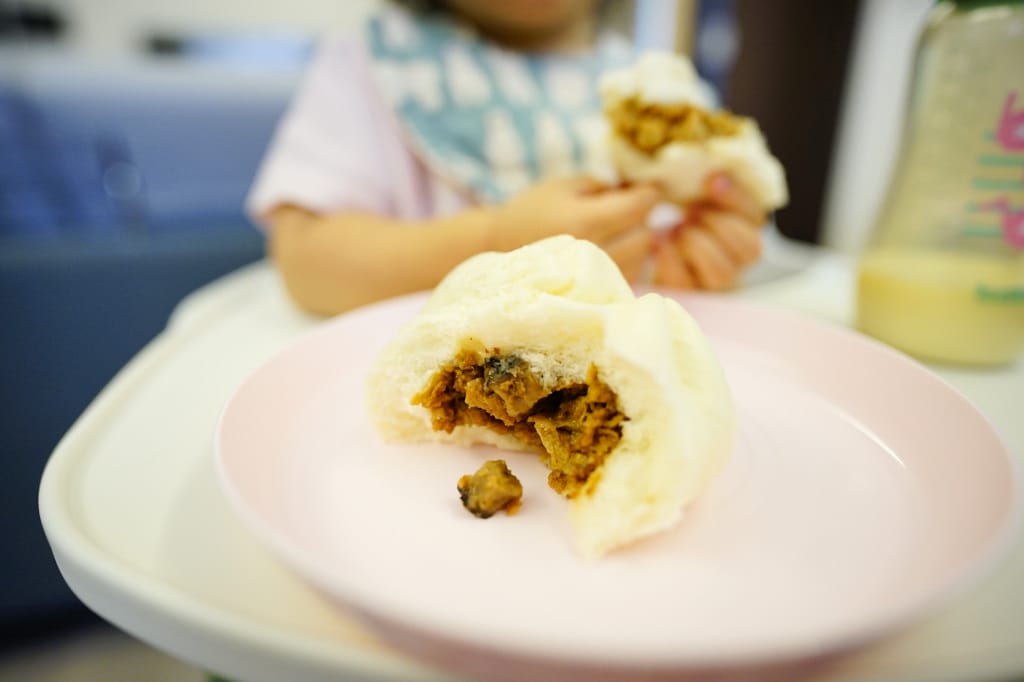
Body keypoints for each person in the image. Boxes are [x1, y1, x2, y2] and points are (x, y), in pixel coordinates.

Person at [247, 0, 766, 316]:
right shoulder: (370, 66)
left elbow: (689, 264)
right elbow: (305, 260)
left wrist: (705, 262)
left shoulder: (663, 94)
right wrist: (495, 243)